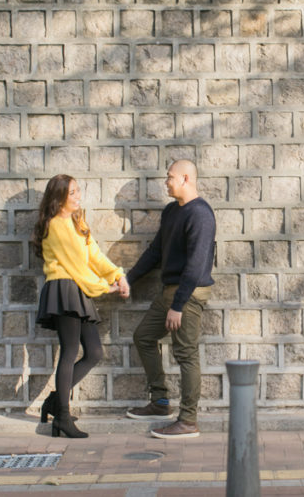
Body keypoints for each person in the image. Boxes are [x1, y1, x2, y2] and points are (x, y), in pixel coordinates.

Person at [33, 174, 130, 439]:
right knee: (70, 350)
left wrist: (117, 275)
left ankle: (55, 402)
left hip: (78, 289)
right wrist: (104, 288)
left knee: (95, 352)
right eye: (72, 193)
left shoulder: (77, 221)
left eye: (78, 191)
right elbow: (77, 267)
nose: (78, 197)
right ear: (58, 197)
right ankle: (62, 417)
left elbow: (93, 255)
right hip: (64, 288)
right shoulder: (55, 226)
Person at [126, 159, 215, 439]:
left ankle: (188, 420)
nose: (166, 182)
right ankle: (160, 401)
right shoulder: (171, 212)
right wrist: (128, 279)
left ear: (186, 179)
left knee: (185, 353)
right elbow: (155, 252)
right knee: (143, 336)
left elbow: (196, 265)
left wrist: (177, 306)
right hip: (170, 292)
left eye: (170, 177)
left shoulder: (200, 214)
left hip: (187, 294)